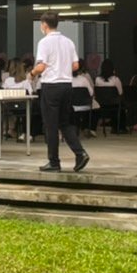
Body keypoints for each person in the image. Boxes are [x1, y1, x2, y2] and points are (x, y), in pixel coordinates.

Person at [30, 12, 89, 173]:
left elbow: (41, 66)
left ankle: (54, 162)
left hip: (51, 86)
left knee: (51, 125)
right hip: (67, 86)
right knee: (65, 123)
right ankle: (80, 153)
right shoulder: (68, 42)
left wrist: (32, 73)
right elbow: (76, 65)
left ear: (44, 24)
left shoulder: (44, 42)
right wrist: (62, 67)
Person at [71, 66, 98, 138]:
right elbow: (91, 93)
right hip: (84, 105)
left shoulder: (66, 80)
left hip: (71, 106)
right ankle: (90, 128)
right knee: (95, 108)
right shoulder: (83, 79)